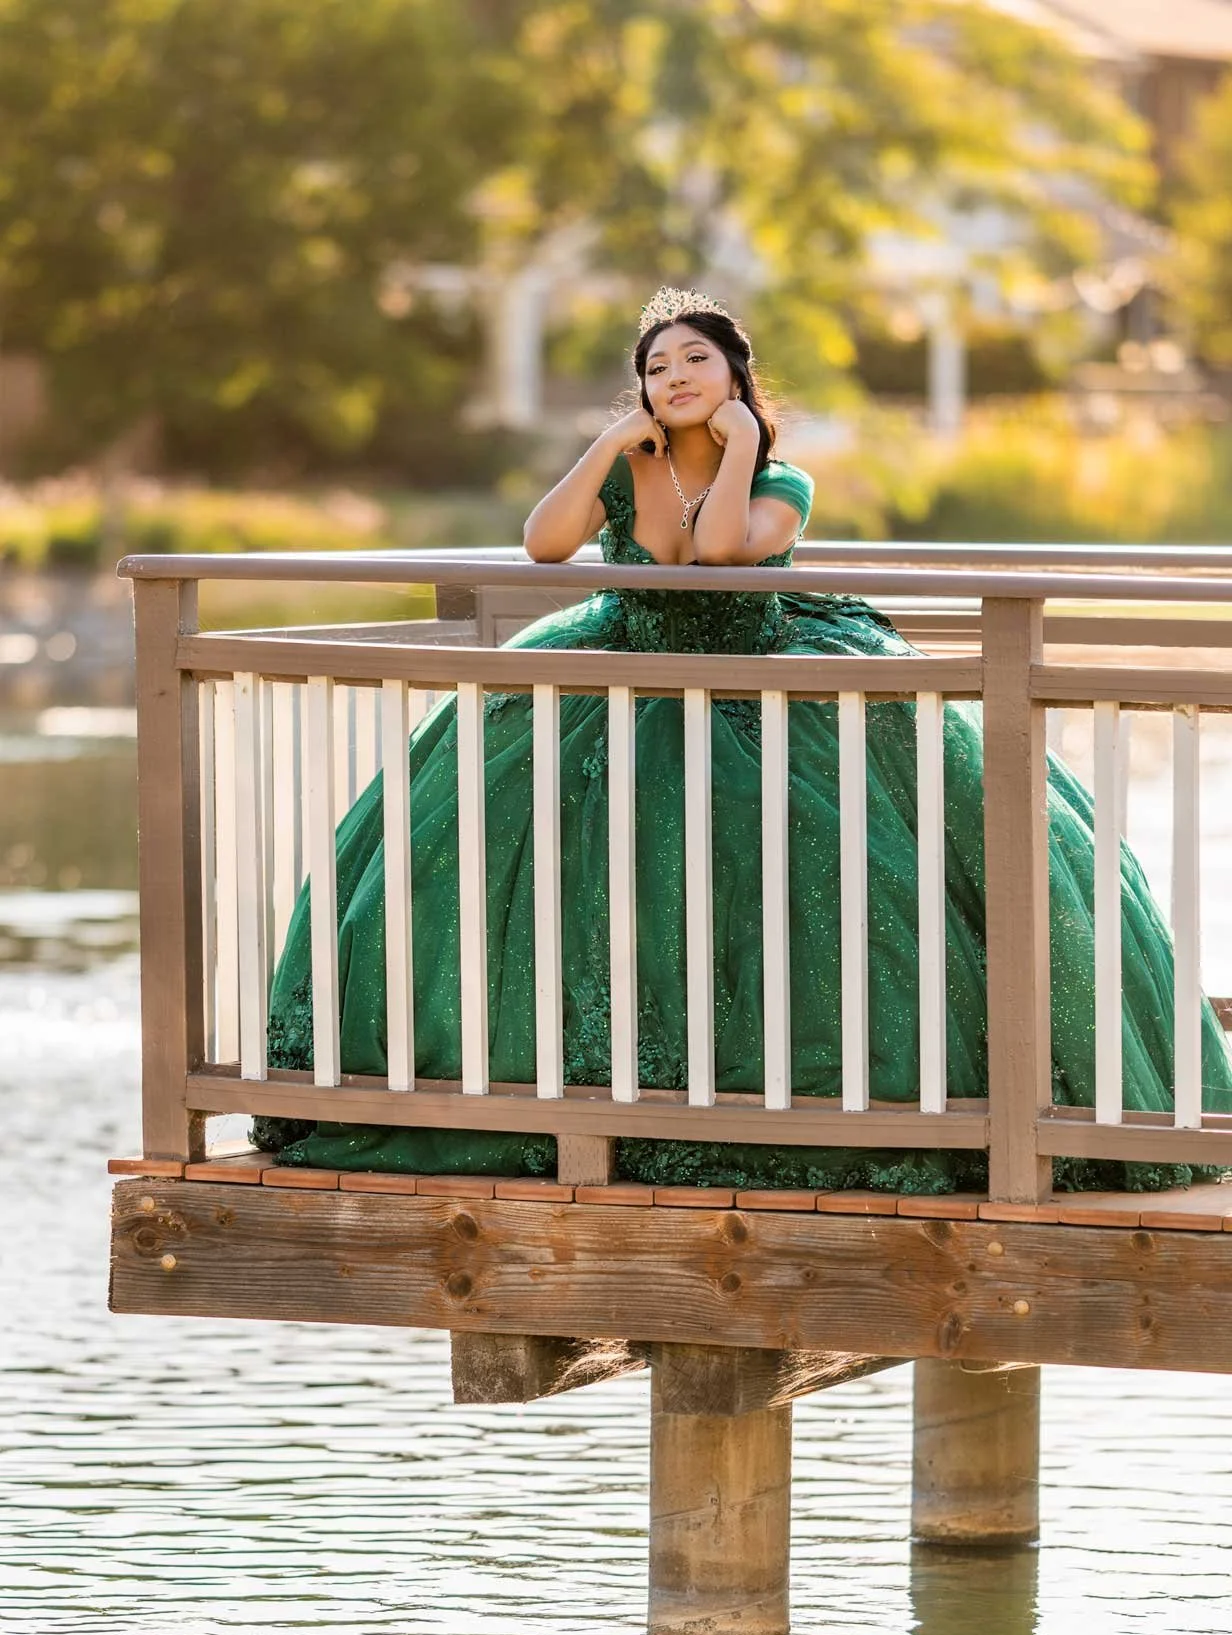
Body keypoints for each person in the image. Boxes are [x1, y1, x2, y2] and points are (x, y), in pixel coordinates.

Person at [255, 286, 1232, 1192]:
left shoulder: (780, 479)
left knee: (816, 872)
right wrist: (604, 450)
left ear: (734, 380)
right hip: (621, 664)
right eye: (654, 368)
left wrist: (731, 451)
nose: (672, 379)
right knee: (551, 865)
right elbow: (544, 546)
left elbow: (719, 555)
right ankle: (527, 1091)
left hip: (761, 677)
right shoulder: (625, 466)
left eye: (693, 362)